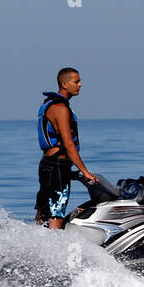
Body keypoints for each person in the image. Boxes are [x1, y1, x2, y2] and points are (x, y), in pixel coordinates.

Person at [35, 68, 97, 229]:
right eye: (76, 81)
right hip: (57, 167)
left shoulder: (50, 104)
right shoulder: (61, 109)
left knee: (43, 213)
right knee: (56, 214)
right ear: (64, 84)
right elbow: (68, 144)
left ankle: (34, 248)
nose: (80, 84)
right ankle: (50, 253)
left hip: (48, 165)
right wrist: (85, 171)